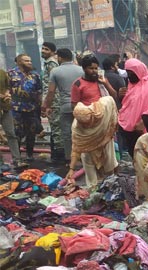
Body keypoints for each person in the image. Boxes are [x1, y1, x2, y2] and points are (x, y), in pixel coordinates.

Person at [65, 55, 119, 187]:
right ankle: (92, 188)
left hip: (103, 126)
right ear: (84, 69)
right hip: (88, 126)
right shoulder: (78, 84)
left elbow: (114, 97)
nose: (94, 71)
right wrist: (88, 115)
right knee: (88, 157)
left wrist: (105, 83)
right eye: (91, 68)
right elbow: (75, 107)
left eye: (96, 68)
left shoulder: (100, 81)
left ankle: (110, 186)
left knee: (108, 156)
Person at [117, 59, 148, 159]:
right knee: (136, 157)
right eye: (128, 73)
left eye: (132, 73)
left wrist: (143, 122)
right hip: (130, 130)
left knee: (146, 157)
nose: (129, 76)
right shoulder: (131, 86)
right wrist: (121, 96)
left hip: (144, 129)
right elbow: (128, 106)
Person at [42, 48, 83, 164]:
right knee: (82, 131)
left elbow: (51, 92)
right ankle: (84, 156)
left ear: (59, 57)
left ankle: (69, 158)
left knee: (67, 133)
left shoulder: (55, 71)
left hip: (65, 106)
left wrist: (47, 106)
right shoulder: (81, 70)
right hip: (80, 106)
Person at [8, 54, 42, 162]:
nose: (30, 63)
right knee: (16, 132)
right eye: (26, 61)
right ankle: (17, 157)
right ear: (19, 62)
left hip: (31, 108)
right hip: (15, 108)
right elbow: (6, 90)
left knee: (31, 132)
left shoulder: (35, 75)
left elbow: (39, 92)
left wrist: (40, 107)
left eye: (30, 61)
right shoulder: (11, 74)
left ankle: (30, 155)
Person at [41, 42, 63, 160]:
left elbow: (51, 87)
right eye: (43, 48)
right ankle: (57, 154)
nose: (43, 51)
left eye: (46, 49)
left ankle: (59, 156)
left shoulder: (51, 64)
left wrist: (46, 104)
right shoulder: (48, 64)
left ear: (53, 52)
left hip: (54, 101)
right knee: (55, 128)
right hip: (52, 101)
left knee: (56, 128)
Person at [0, 68, 21, 166]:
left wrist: (7, 93)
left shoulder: (2, 72)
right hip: (3, 102)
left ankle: (17, 159)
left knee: (11, 133)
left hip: (5, 107)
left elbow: (8, 86)